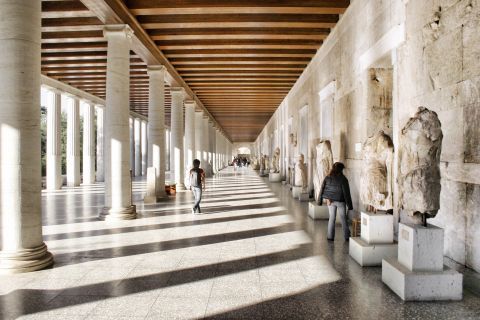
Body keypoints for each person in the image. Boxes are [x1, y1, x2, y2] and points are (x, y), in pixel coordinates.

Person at [318, 162, 353, 241]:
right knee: (343, 218)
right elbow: (347, 193)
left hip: (330, 201)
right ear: (341, 169)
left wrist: (319, 201)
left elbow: (322, 189)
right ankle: (347, 236)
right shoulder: (343, 179)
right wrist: (350, 206)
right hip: (341, 201)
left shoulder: (327, 177)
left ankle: (330, 236)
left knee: (332, 218)